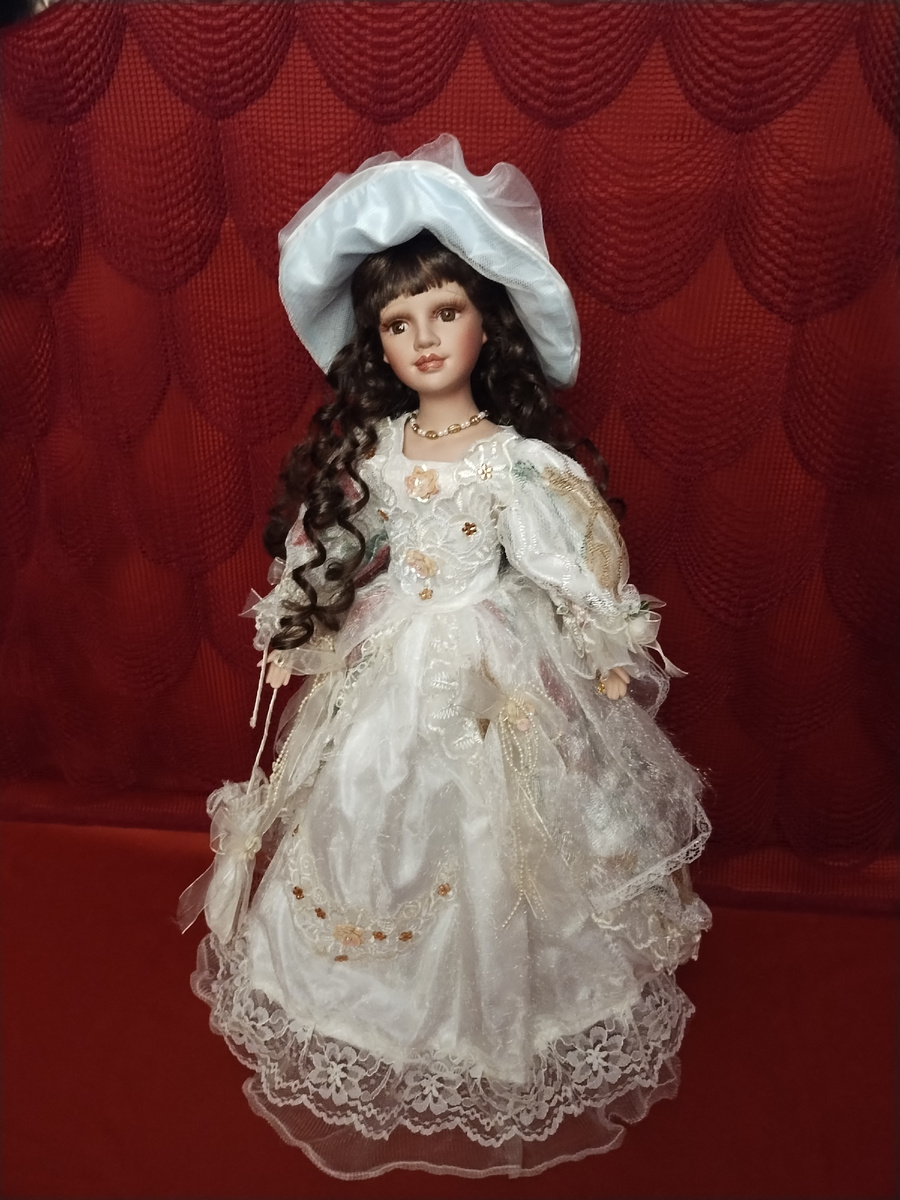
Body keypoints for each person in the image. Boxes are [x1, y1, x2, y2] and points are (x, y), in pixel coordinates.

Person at [179, 134, 711, 1180]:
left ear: (485, 321)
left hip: (490, 664)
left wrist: (602, 646)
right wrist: (299, 627)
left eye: (445, 311)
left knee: (502, 832)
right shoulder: (375, 456)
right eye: (398, 323)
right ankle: (367, 1011)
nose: (423, 339)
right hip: (388, 660)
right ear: (376, 343)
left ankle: (502, 1017)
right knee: (368, 806)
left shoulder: (516, 463)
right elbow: (338, 550)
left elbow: (565, 561)